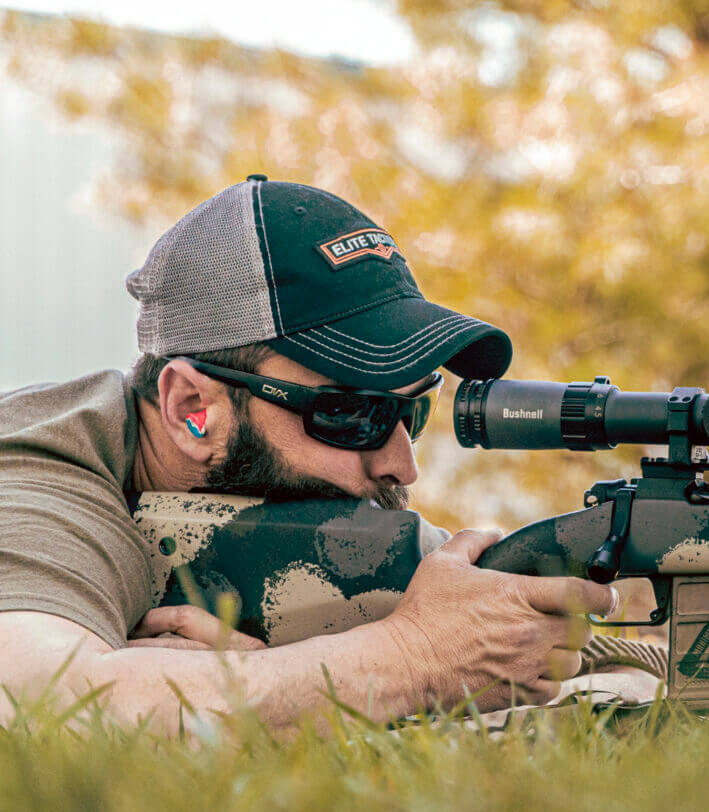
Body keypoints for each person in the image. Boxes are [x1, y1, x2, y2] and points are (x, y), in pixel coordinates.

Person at [0, 175, 620, 736]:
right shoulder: (36, 474)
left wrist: (279, 682)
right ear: (193, 407)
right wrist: (415, 659)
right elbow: (39, 710)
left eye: (412, 412)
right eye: (352, 414)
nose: (402, 465)